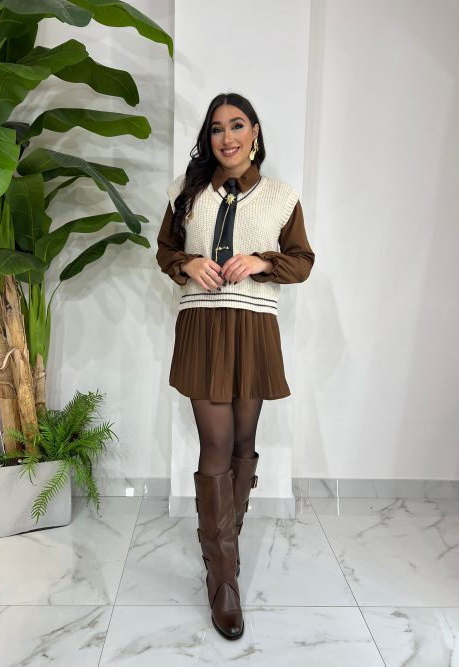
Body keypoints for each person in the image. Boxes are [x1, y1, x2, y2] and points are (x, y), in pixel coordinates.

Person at [156, 92, 315, 640]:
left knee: (245, 443)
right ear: (209, 136)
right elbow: (165, 252)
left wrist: (262, 260)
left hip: (253, 327)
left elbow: (302, 261)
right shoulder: (184, 193)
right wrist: (188, 263)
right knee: (216, 444)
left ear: (254, 132)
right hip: (202, 326)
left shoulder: (281, 197)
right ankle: (223, 579)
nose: (227, 137)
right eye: (217, 128)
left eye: (237, 125)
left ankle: (228, 546)